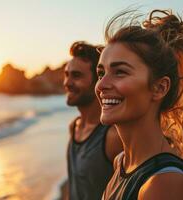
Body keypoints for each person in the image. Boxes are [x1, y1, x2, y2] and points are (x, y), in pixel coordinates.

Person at [95, 10, 183, 200]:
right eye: (101, 73)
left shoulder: (164, 182)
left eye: (120, 72)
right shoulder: (121, 162)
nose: (101, 85)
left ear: (159, 88)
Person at [63, 41, 123, 200]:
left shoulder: (113, 136)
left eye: (76, 75)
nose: (67, 83)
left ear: (99, 81)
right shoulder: (74, 126)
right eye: (66, 74)